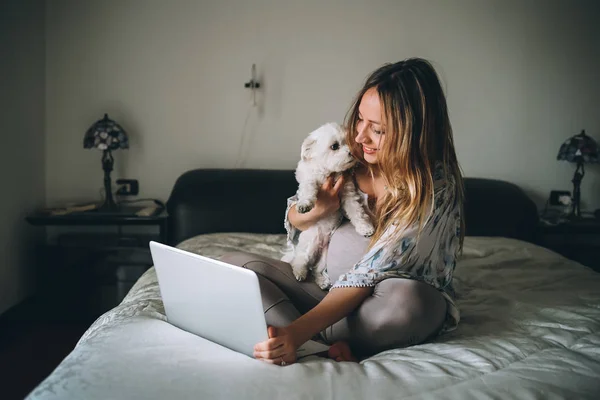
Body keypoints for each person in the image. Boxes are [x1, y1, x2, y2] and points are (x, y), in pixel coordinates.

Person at [221, 57, 464, 365]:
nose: (360, 136)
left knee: (408, 303)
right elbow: (296, 218)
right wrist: (316, 210)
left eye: (377, 129)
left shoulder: (434, 186)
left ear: (413, 134)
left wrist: (295, 332)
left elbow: (373, 270)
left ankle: (303, 335)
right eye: (360, 119)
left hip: (380, 306)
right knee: (232, 267)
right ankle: (327, 343)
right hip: (325, 290)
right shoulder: (350, 159)